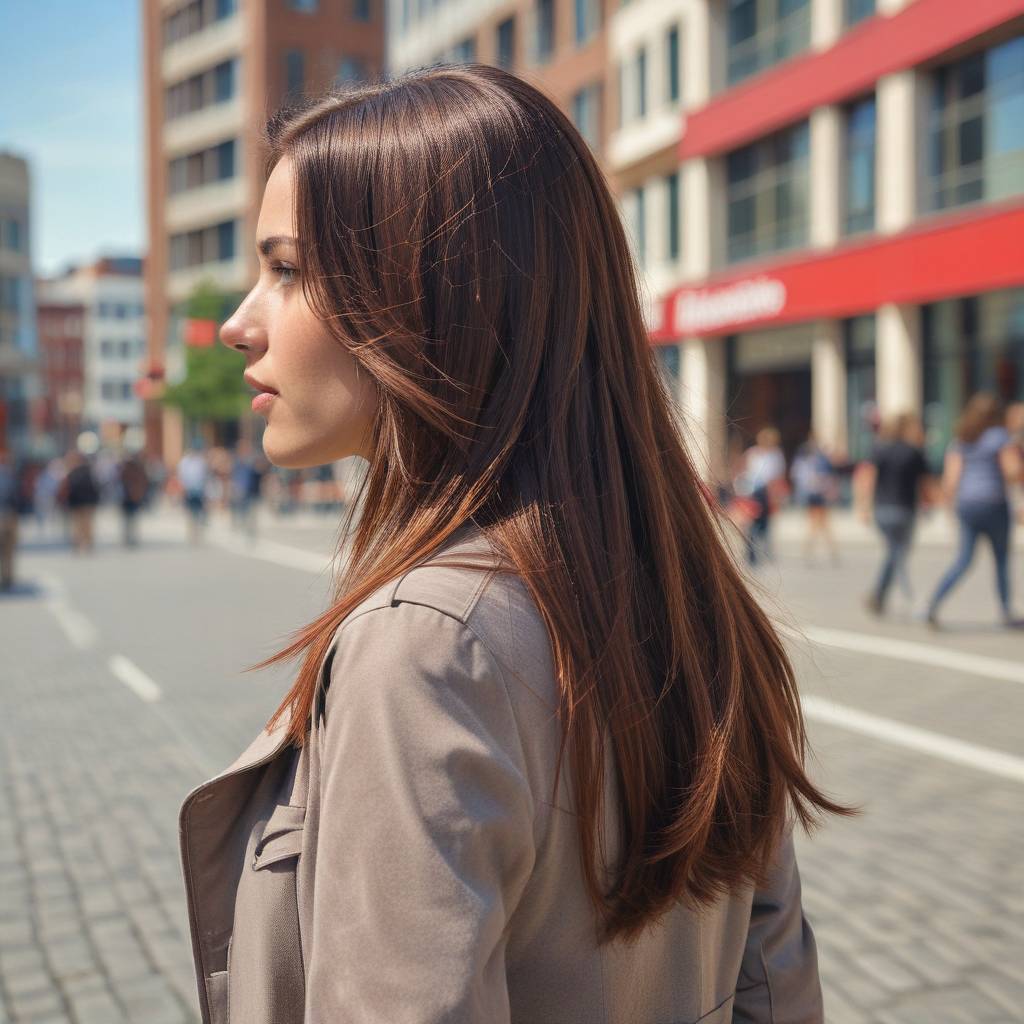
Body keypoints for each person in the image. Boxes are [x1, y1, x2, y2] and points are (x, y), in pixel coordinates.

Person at [181, 66, 853, 1024]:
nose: (236, 324)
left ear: (427, 298)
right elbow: (777, 992)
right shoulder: (690, 594)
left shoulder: (425, 645)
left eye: (287, 270)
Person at [926, 393, 1024, 628]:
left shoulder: (962, 440)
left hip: (968, 505)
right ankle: (1005, 611)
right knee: (1000, 560)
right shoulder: (1000, 437)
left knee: (964, 559)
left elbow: (951, 479)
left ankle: (933, 603)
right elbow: (1012, 471)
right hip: (993, 503)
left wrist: (950, 508)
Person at [856, 412, 932, 615]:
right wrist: (929, 504)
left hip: (882, 509)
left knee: (894, 553)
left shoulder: (880, 449)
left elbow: (868, 478)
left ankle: (878, 596)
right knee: (898, 553)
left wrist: (863, 506)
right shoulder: (914, 451)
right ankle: (911, 598)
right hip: (904, 509)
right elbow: (925, 484)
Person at [735, 426, 787, 567]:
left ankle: (763, 551)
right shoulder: (752, 453)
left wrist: (777, 495)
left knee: (764, 524)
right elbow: (742, 470)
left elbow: (777, 476)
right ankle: (751, 552)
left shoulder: (776, 455)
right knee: (750, 523)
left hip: (766, 492)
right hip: (751, 491)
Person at [791, 433, 839, 565]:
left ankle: (813, 551)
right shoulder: (818, 460)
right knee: (820, 524)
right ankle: (826, 551)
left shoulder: (806, 460)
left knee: (819, 524)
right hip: (816, 494)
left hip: (814, 494)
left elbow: (798, 477)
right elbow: (827, 478)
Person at [60, 451, 100, 553]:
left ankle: (82, 543)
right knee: (84, 524)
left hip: (80, 502)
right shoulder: (87, 471)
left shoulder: (73, 473)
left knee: (80, 524)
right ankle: (84, 543)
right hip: (85, 502)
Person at [176, 442, 210, 545]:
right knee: (190, 514)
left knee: (199, 514)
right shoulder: (184, 462)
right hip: (188, 491)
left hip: (199, 491)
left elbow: (204, 477)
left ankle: (199, 535)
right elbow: (181, 477)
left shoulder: (200, 462)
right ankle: (191, 535)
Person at [118, 449, 150, 548]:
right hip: (130, 498)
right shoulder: (133, 471)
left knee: (129, 519)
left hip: (129, 498)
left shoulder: (128, 471)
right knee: (131, 519)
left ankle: (129, 538)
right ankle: (130, 538)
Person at [0, 448, 19, 591]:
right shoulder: (9, 475)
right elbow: (15, 496)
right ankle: (7, 576)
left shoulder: (9, 474)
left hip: (7, 514)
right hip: (7, 514)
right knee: (8, 549)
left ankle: (7, 576)